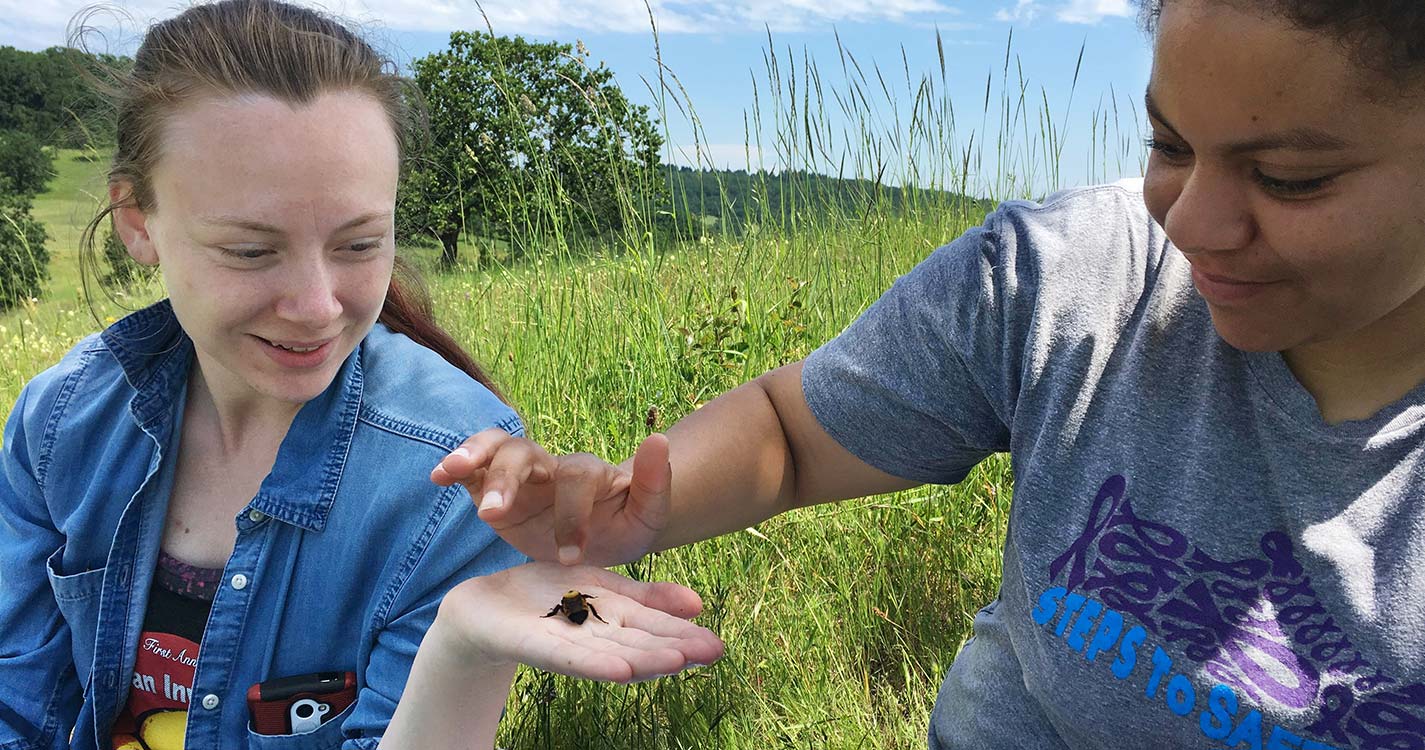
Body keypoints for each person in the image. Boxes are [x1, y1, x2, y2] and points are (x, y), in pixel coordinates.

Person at [434, 0, 1425, 747]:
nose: (1193, 225)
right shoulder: (1067, 272)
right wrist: (633, 506)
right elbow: (791, 431)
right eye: (1170, 144)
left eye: (1291, 178)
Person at [0, 2, 722, 749]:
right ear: (137, 221)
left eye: (358, 244)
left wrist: (460, 651)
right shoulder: (61, 423)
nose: (317, 307)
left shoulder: (452, 481)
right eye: (250, 251)